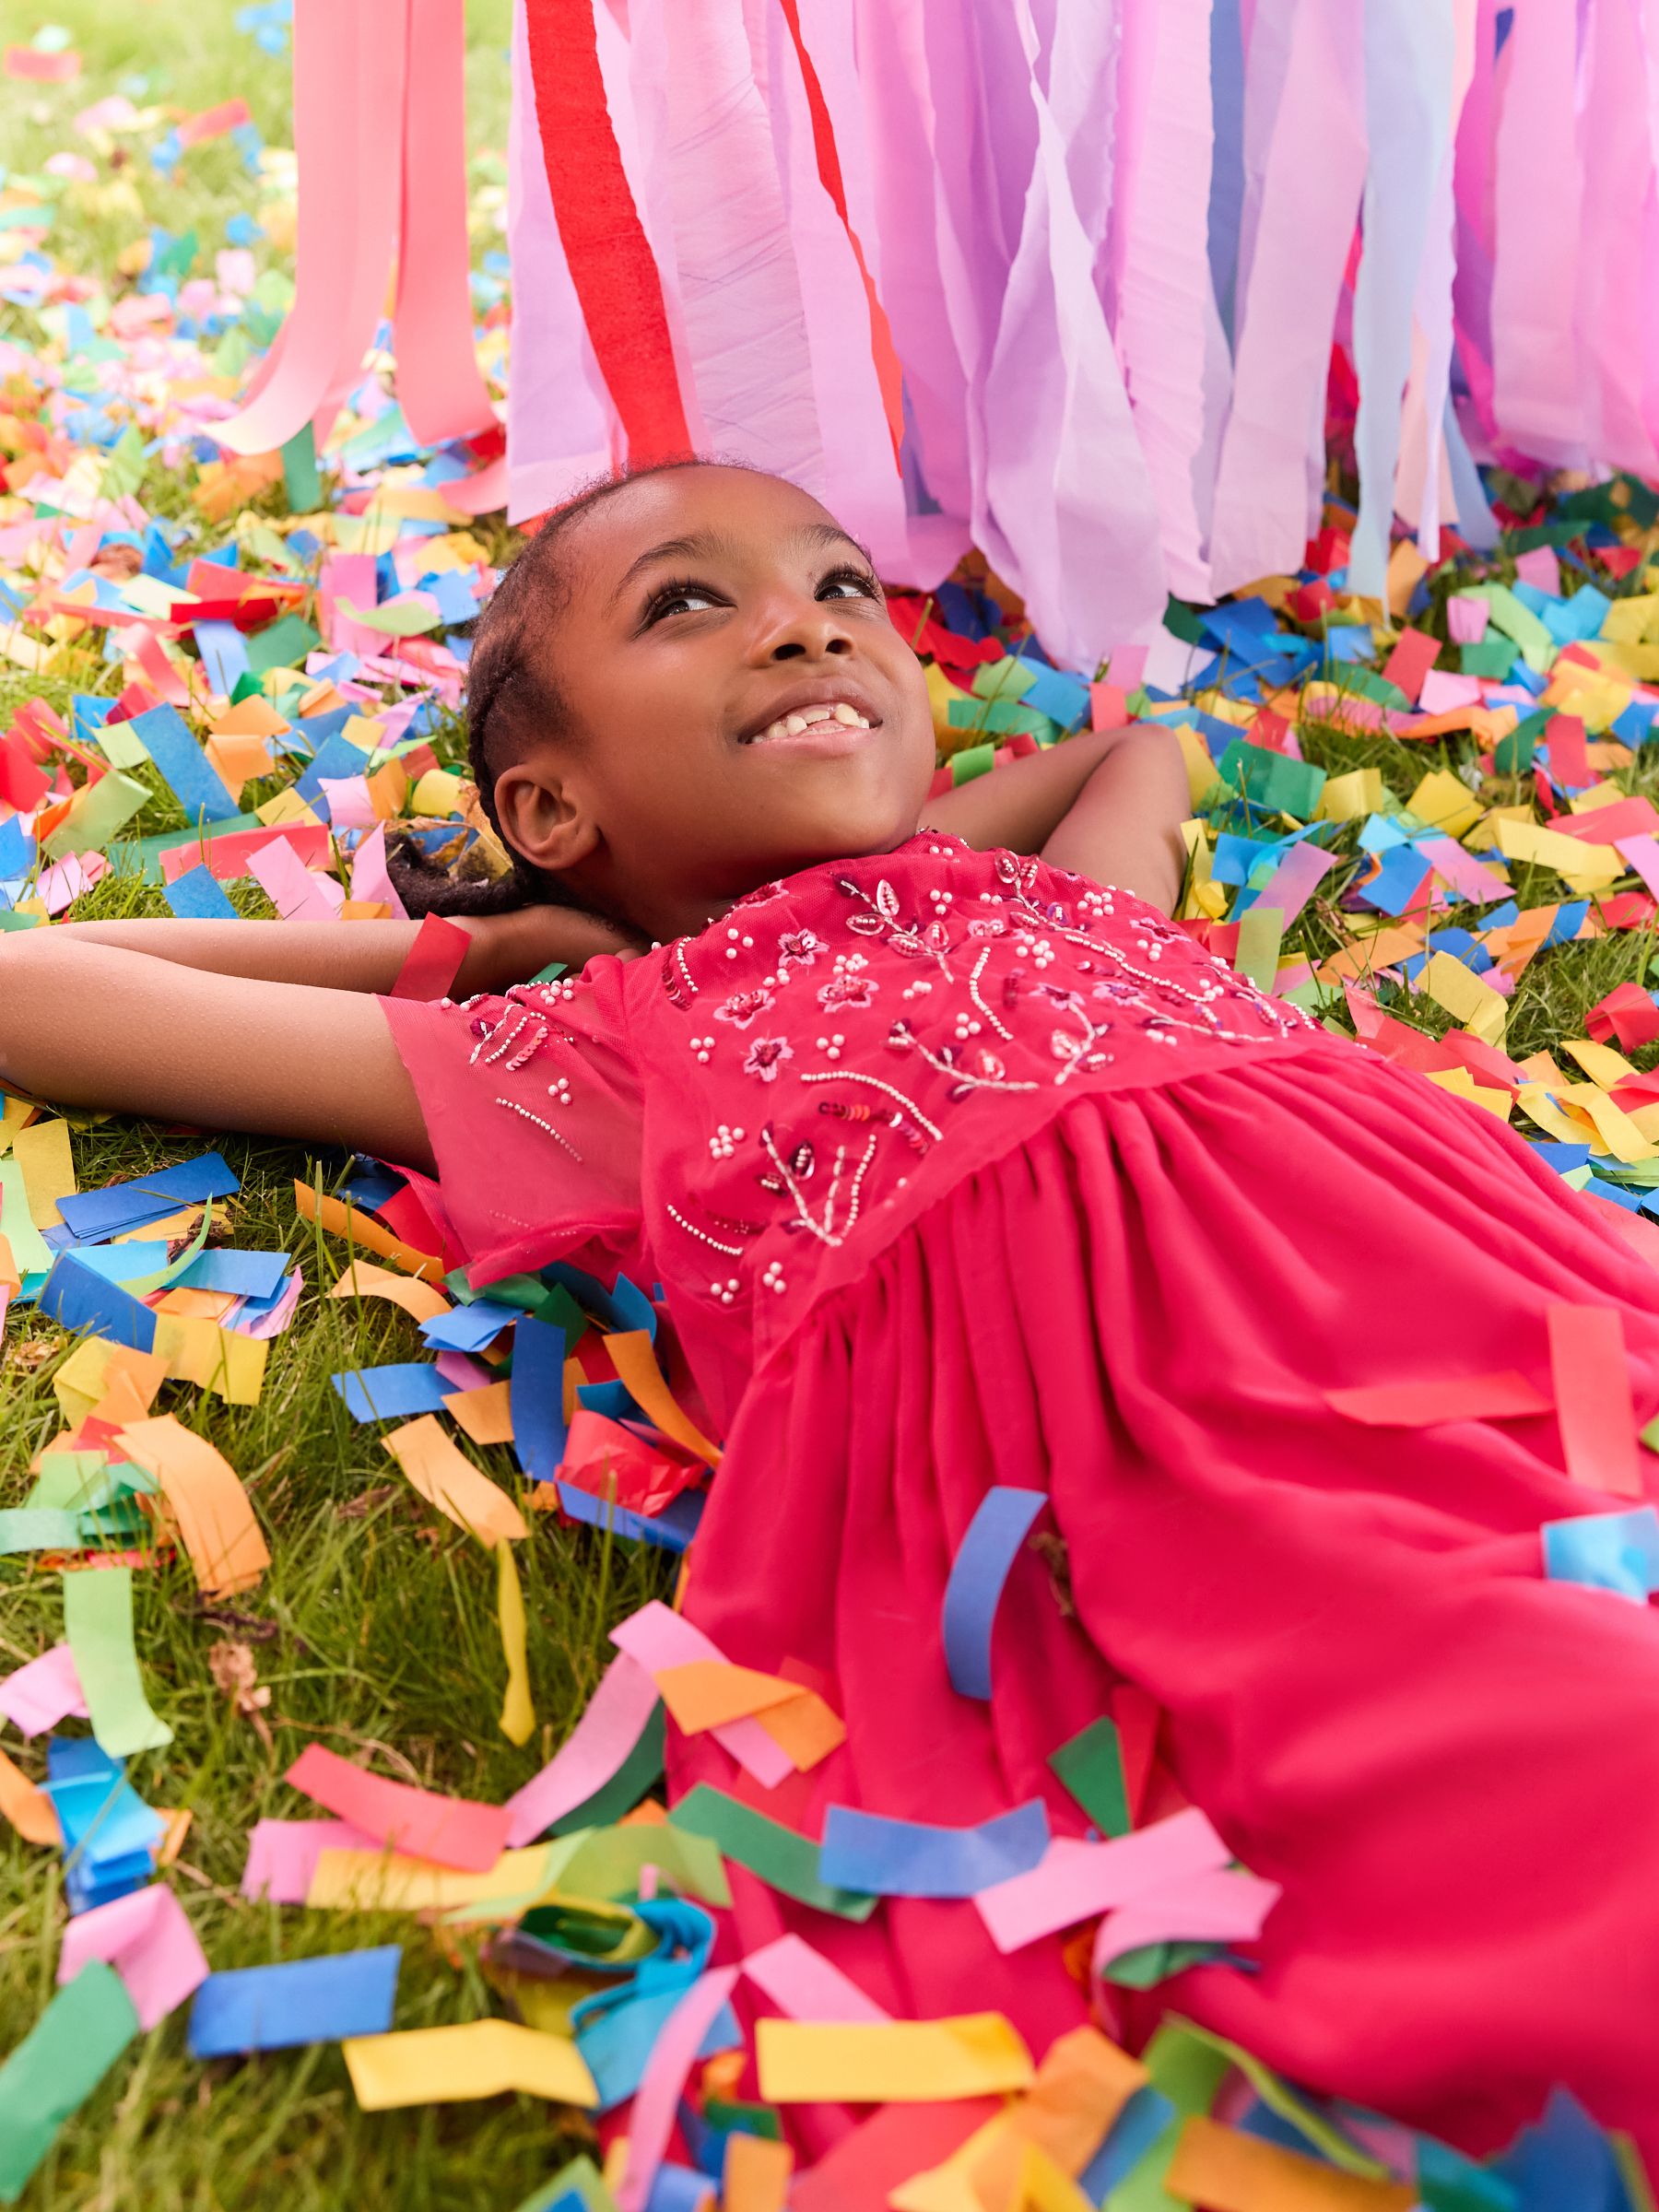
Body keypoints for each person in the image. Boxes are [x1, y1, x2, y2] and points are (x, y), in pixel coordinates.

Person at [6, 460, 1659, 2164]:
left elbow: (1129, 752)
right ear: (549, 802)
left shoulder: (1076, 900)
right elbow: (38, 990)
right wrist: (509, 948)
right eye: (688, 604)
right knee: (1558, 1750)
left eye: (843, 588)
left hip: (1470, 1297)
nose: (808, 620)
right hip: (1167, 1434)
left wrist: (907, 853)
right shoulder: (607, 1040)